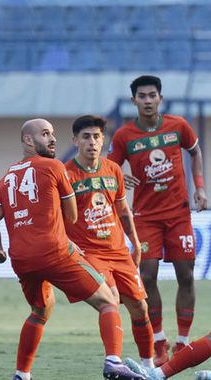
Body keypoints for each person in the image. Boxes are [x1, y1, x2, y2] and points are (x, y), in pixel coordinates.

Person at [0, 118, 143, 380]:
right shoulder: (54, 166)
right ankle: (113, 361)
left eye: (53, 134)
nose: (52, 139)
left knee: (40, 310)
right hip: (54, 252)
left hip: (21, 259)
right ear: (28, 141)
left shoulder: (7, 177)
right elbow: (71, 217)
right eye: (45, 134)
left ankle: (22, 374)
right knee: (108, 301)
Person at [107, 75, 208, 366]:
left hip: (178, 213)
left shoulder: (178, 126)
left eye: (153, 95)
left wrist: (199, 187)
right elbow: (109, 167)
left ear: (160, 98)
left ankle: (184, 342)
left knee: (186, 275)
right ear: (134, 101)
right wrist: (118, 174)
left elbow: (195, 151)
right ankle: (160, 340)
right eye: (142, 96)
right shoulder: (125, 136)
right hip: (146, 216)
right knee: (147, 276)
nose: (148, 100)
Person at [64, 115, 155, 369]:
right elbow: (58, 218)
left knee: (140, 307)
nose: (92, 142)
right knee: (111, 298)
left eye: (96, 137)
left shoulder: (113, 169)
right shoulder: (66, 175)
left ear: (103, 140)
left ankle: (148, 366)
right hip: (90, 254)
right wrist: (70, 247)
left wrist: (135, 243)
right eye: (85, 137)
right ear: (75, 141)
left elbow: (124, 211)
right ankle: (113, 360)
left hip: (119, 251)